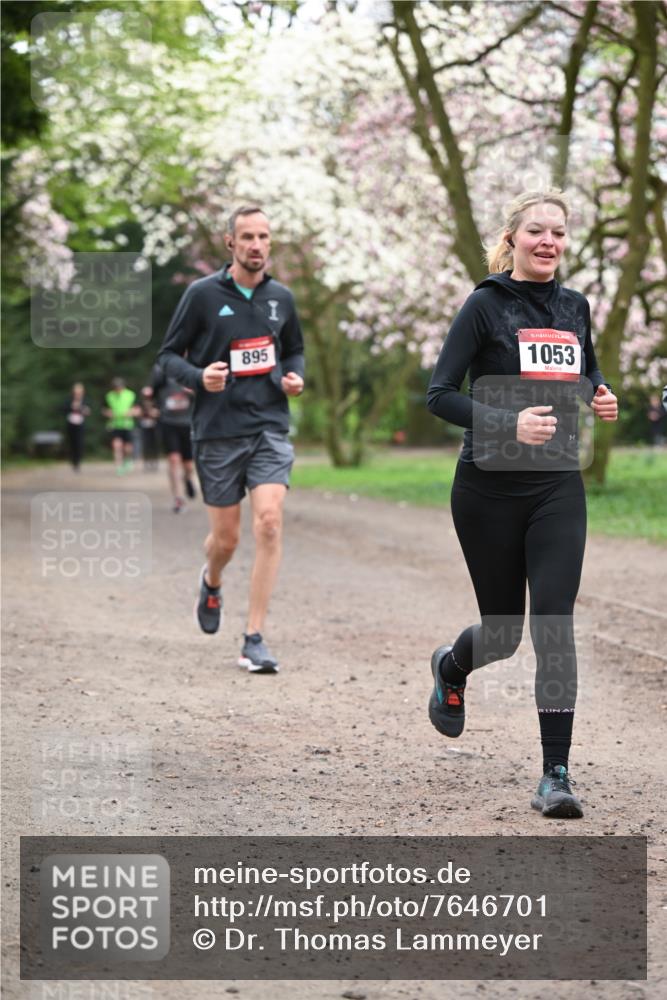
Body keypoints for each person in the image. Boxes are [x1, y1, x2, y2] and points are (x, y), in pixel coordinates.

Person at [426, 190, 618, 819]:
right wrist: (508, 422)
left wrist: (599, 391)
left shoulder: (575, 306)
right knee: (506, 633)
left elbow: (583, 369)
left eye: (558, 233)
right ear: (512, 239)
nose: (549, 242)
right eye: (536, 231)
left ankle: (555, 775)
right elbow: (439, 395)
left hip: (556, 484)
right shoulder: (484, 306)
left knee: (554, 625)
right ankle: (452, 668)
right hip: (487, 489)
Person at [157, 205, 305, 673]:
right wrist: (201, 377)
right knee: (226, 540)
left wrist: (294, 375)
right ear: (231, 243)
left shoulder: (282, 297)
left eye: (264, 236)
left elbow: (294, 347)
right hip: (218, 431)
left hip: (269, 426)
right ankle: (213, 580)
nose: (257, 245)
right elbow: (167, 356)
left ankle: (254, 637)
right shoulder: (202, 295)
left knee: (269, 522)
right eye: (247, 237)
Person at [150, 365, 197, 512]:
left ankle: (187, 478)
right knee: (174, 459)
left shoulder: (191, 367)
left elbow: (205, 392)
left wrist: (194, 391)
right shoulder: (161, 371)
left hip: (187, 423)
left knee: (189, 465)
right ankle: (178, 499)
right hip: (168, 422)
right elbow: (151, 392)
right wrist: (151, 408)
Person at [103, 377, 137, 474]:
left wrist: (132, 412)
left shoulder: (130, 395)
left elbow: (138, 409)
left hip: (127, 424)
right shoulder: (109, 396)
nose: (117, 389)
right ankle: (119, 466)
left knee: (127, 447)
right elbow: (104, 409)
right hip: (114, 424)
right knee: (116, 445)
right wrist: (108, 413)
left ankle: (128, 460)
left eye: (119, 387)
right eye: (116, 387)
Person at [64, 382, 91, 471]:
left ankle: (78, 461)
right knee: (72, 443)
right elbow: (63, 409)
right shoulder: (69, 400)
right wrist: (71, 407)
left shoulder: (85, 400)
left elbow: (89, 411)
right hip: (71, 424)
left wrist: (82, 409)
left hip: (80, 424)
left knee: (79, 443)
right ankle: (73, 460)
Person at [138, 386, 160, 472]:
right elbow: (138, 413)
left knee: (154, 445)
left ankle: (154, 461)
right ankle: (147, 462)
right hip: (144, 425)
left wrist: (153, 413)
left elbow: (158, 413)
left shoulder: (156, 402)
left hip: (154, 425)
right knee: (146, 445)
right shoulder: (141, 403)